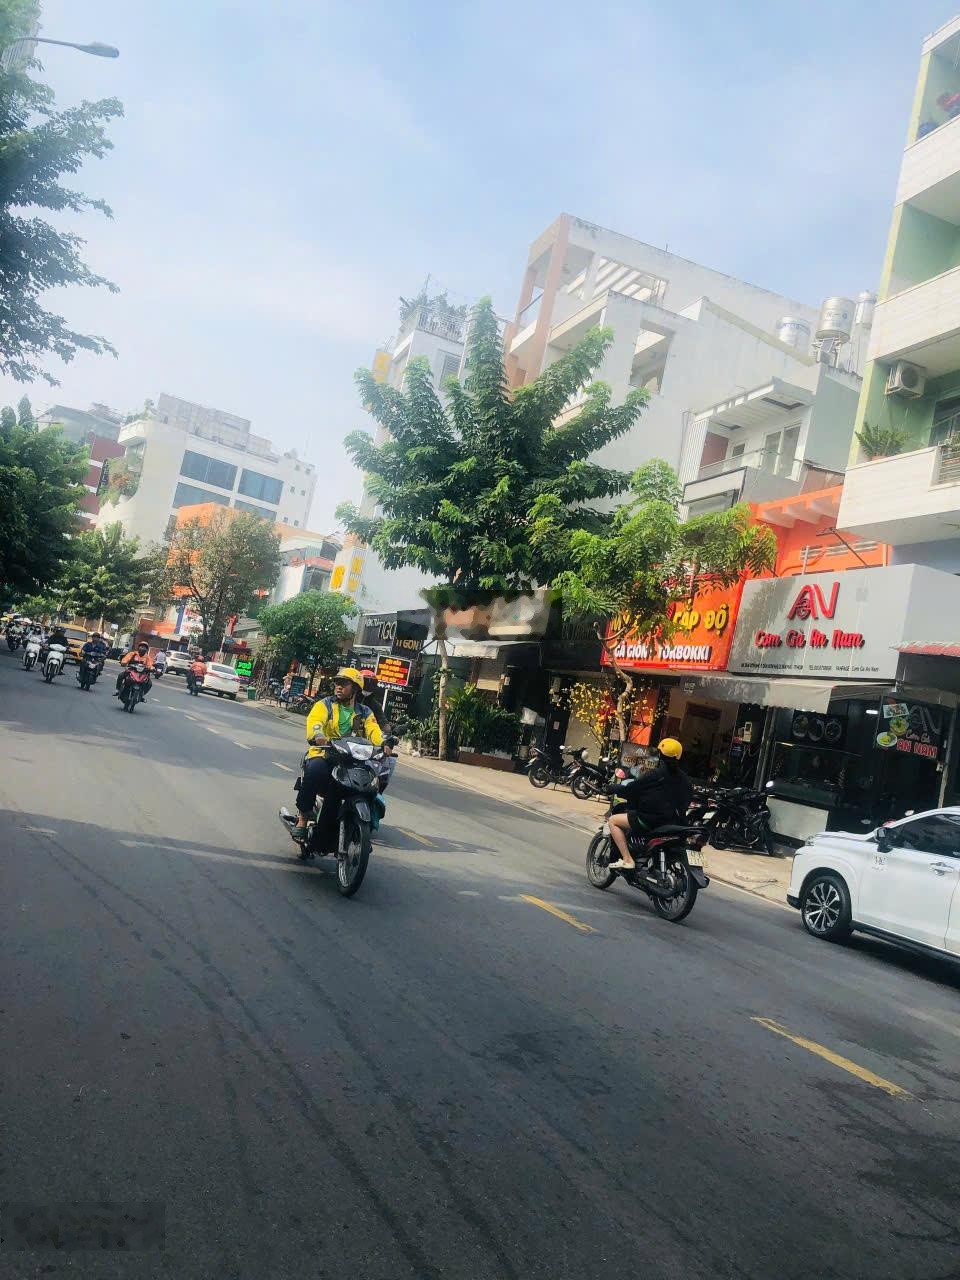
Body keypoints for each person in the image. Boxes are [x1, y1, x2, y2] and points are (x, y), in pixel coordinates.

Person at [291, 667, 386, 847]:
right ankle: (302, 819)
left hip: (352, 759)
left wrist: (384, 742)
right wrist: (318, 735)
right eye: (337, 683)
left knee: (370, 782)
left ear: (355, 688)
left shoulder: (365, 711)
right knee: (315, 770)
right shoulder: (325, 705)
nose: (338, 687)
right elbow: (315, 722)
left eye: (344, 684)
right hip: (325, 753)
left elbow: (374, 731)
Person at [607, 738, 693, 872]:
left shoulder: (656, 774)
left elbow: (632, 788)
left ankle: (627, 859)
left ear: (660, 755)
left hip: (650, 820)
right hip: (674, 822)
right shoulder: (685, 779)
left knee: (613, 821)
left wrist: (614, 788)